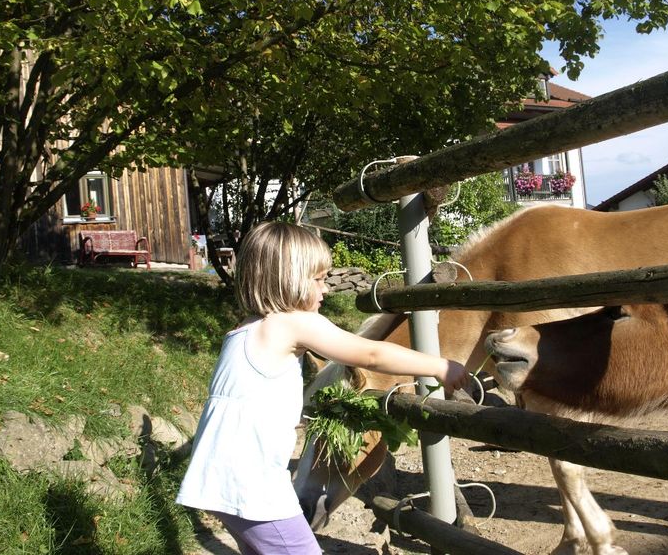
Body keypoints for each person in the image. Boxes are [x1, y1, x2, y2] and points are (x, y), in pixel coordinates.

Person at [176, 221, 468, 555]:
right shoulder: (292, 323)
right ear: (287, 279)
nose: (325, 289)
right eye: (318, 279)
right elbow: (370, 354)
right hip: (253, 489)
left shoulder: (241, 331)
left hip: (215, 482)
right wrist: (439, 366)